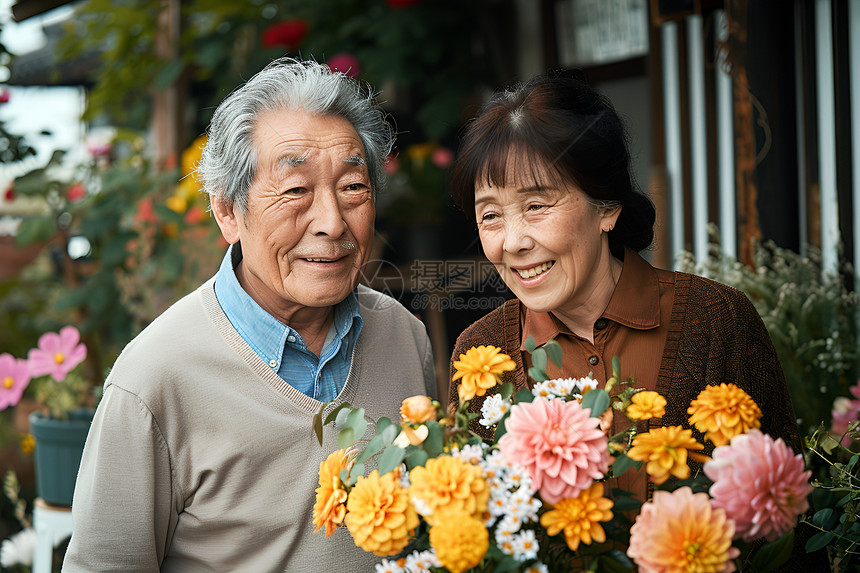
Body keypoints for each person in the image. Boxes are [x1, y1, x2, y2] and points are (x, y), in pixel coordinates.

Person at [63, 58, 436, 572]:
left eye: (352, 188)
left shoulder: (403, 335)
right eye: (295, 191)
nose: (331, 222)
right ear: (227, 212)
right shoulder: (154, 378)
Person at [447, 70, 826, 571]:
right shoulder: (481, 354)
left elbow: (788, 530)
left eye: (536, 205)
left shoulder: (716, 321)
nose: (511, 242)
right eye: (490, 215)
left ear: (606, 208)